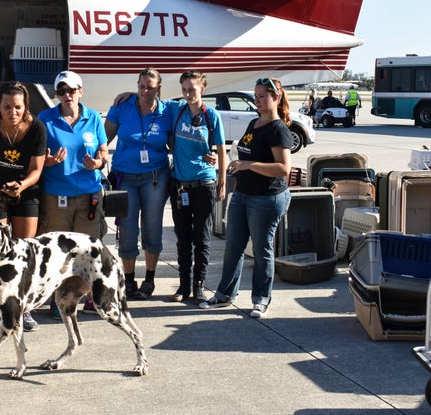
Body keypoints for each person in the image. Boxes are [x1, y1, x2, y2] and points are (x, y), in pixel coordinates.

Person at [199, 76, 292, 319]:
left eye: (262, 96)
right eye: (256, 96)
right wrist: (236, 164)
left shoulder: (278, 129)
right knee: (233, 247)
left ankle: (261, 299)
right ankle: (225, 294)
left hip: (266, 197)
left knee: (261, 250)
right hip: (242, 194)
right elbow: (244, 154)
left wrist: (249, 164)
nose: (257, 101)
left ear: (276, 97)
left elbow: (284, 168)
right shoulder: (254, 124)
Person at [0, 81, 46, 332]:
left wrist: (22, 185)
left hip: (25, 191)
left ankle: (25, 310)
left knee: (25, 251)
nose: (11, 112)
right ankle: (0, 310)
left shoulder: (36, 127)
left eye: (17, 107)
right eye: (6, 107)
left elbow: (37, 169)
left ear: (25, 106)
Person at [38, 70, 109, 318]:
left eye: (71, 90)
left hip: (88, 194)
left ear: (81, 91)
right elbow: (36, 156)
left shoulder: (93, 118)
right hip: (56, 196)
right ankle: (59, 301)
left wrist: (98, 163)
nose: (67, 95)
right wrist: (45, 162)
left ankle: (90, 297)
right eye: (61, 91)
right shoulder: (45, 118)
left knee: (88, 251)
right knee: (59, 253)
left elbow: (103, 151)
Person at [105, 67, 172, 300]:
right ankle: (130, 280)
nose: (145, 91)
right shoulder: (123, 107)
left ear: (159, 89)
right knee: (127, 230)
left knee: (152, 227)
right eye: (141, 86)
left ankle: (150, 280)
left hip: (155, 176)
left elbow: (177, 143)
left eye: (150, 88)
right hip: (125, 176)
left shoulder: (167, 112)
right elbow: (104, 140)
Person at [167, 71, 227, 303]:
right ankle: (184, 286)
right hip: (180, 186)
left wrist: (221, 181)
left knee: (201, 238)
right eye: (184, 89)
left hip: (204, 184)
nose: (188, 94)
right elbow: (149, 96)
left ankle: (199, 285)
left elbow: (221, 150)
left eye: (192, 89)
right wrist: (125, 94)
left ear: (202, 89)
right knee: (183, 238)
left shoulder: (211, 115)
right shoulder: (176, 109)